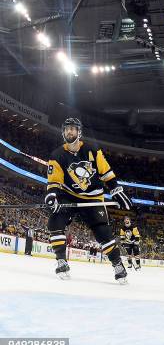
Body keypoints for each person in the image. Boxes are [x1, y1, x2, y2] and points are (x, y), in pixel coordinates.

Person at [45, 117, 132, 282]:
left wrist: (116, 189)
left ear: (79, 132)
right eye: (66, 129)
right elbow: (54, 181)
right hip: (68, 195)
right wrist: (52, 196)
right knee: (55, 222)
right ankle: (61, 261)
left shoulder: (92, 150)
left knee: (103, 232)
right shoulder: (56, 155)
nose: (69, 131)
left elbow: (106, 172)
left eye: (72, 128)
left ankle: (117, 264)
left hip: (92, 197)